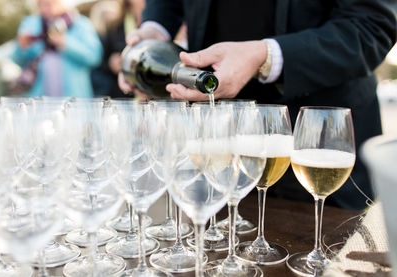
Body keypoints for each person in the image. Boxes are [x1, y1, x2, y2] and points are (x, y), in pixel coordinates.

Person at [119, 0, 397, 210]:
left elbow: (372, 26)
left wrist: (264, 56)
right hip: (214, 138)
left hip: (318, 142)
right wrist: (155, 27)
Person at [10, 0, 102, 97]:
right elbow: (18, 61)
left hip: (74, 97)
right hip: (38, 97)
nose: (48, 8)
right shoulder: (31, 24)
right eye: (43, 4)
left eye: (52, 3)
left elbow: (95, 57)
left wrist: (65, 43)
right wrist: (22, 47)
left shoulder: (81, 24)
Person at [100, 0, 145, 98]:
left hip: (154, 93)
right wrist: (111, 63)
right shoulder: (115, 25)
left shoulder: (162, 22)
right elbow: (101, 61)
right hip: (123, 95)